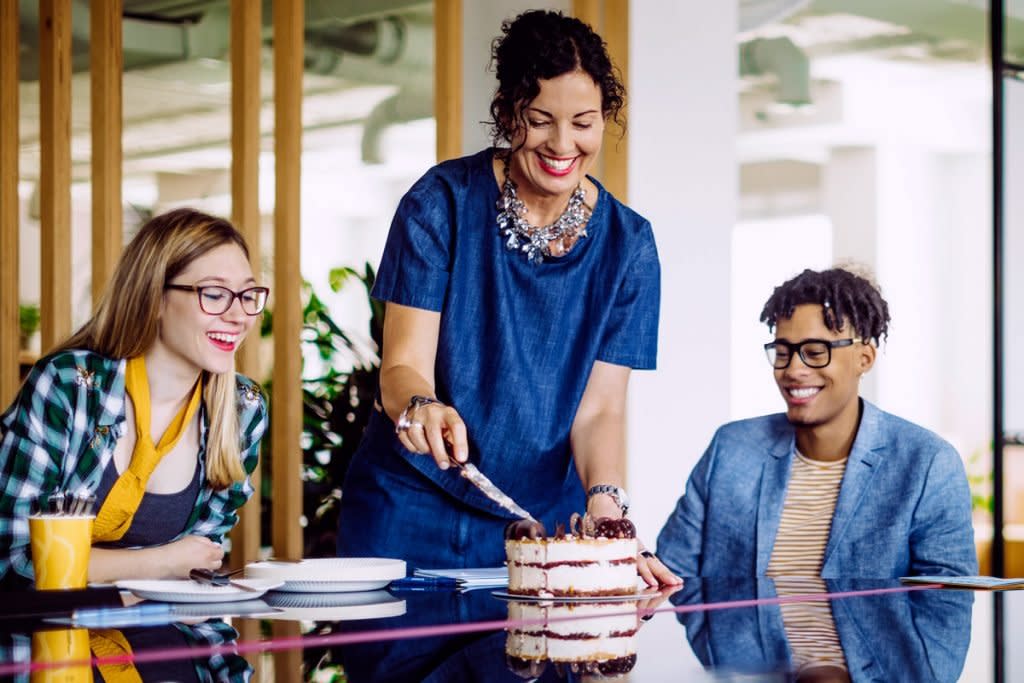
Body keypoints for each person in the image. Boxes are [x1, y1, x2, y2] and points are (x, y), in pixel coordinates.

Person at [337, 9, 678, 587]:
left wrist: (606, 506)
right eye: (540, 119)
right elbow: (400, 368)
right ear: (507, 110)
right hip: (407, 508)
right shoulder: (440, 203)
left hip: (536, 522)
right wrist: (423, 408)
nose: (562, 144)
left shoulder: (629, 245)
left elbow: (600, 409)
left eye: (584, 122)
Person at [0, 208, 268, 587]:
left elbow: (199, 565)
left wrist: (160, 566)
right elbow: (13, 563)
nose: (239, 315)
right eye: (214, 294)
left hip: (160, 637)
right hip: (44, 639)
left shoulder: (244, 409)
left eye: (247, 295)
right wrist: (162, 561)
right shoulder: (70, 386)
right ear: (154, 298)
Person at [656, 267, 977, 578]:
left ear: (864, 358)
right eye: (783, 352)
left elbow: (947, 601)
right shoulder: (731, 449)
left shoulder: (927, 462)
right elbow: (668, 575)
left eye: (815, 351)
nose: (793, 369)